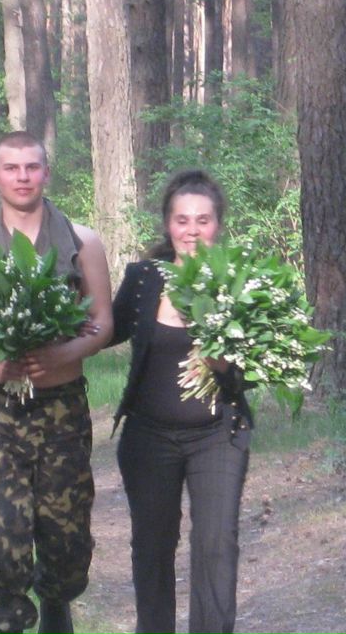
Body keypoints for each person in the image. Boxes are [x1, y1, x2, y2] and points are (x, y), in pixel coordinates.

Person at [0, 131, 114, 634]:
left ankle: (58, 603)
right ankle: (10, 622)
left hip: (61, 406)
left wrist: (62, 352)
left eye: (32, 167)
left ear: (46, 172)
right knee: (3, 531)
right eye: (12, 168)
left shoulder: (83, 243)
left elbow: (103, 323)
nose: (23, 177)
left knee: (66, 532)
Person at [108, 169, 253, 634]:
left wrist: (224, 363)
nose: (192, 230)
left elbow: (259, 365)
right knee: (152, 547)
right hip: (148, 438)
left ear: (219, 225)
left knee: (217, 544)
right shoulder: (144, 278)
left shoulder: (242, 282)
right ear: (167, 225)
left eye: (203, 220)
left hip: (217, 435)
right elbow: (102, 331)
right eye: (182, 220)